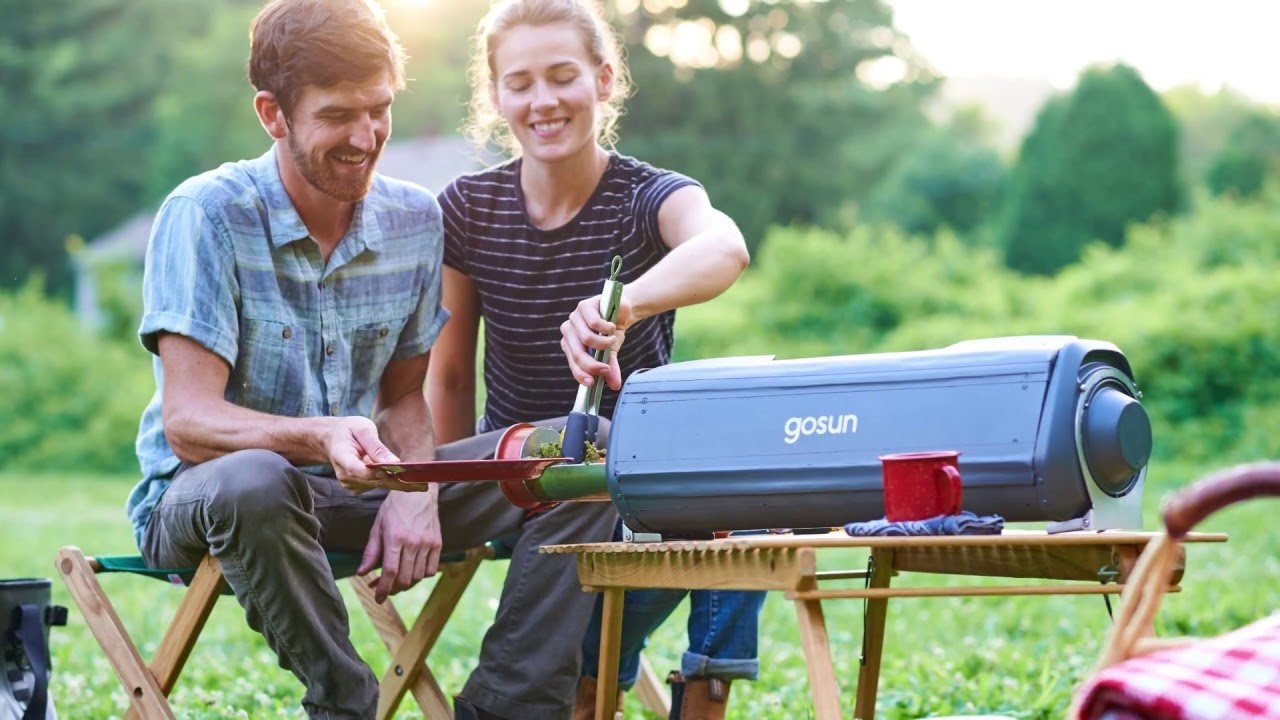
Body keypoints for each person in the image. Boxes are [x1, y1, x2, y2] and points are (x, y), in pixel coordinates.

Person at [125, 1, 615, 718]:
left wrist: (414, 491)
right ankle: (347, 704)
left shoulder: (414, 219)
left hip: (353, 491)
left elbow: (405, 398)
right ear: (272, 114)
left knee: (580, 452)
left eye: (379, 109)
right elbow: (189, 423)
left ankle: (507, 707)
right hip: (211, 502)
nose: (365, 137)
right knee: (257, 478)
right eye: (337, 116)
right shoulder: (207, 214)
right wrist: (320, 435)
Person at [427, 1, 763, 718]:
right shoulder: (468, 208)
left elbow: (724, 247)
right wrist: (438, 504)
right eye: (520, 83)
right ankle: (595, 674)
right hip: (515, 480)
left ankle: (696, 692)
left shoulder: (647, 197)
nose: (543, 101)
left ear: (604, 80)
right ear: (495, 97)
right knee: (597, 490)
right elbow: (449, 375)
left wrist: (626, 303)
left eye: (562, 76)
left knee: (748, 496)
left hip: (628, 480)